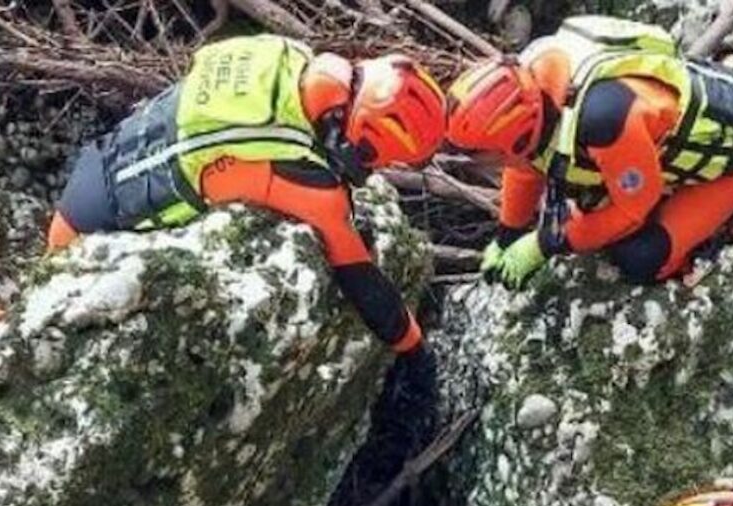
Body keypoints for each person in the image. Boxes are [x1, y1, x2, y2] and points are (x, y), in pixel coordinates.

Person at [47, 34, 445, 357]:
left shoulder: (286, 53)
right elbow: (359, 277)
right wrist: (412, 346)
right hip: (94, 227)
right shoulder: (298, 178)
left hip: (102, 159)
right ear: (358, 144)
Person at [444, 15, 733, 290]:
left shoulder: (603, 119)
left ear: (517, 137)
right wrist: (506, 234)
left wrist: (544, 244)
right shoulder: (539, 80)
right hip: (649, 143)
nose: (486, 164)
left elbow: (633, 210)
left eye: (489, 156)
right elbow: (526, 168)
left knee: (641, 258)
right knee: (585, 203)